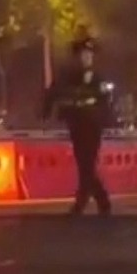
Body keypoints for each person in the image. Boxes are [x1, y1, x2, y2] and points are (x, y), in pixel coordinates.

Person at [42, 37, 113, 217]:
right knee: (84, 164)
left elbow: (106, 101)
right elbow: (53, 93)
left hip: (93, 125)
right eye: (83, 55)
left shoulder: (98, 76)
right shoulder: (67, 76)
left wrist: (108, 119)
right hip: (76, 123)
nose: (86, 58)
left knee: (87, 163)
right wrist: (45, 111)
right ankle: (101, 200)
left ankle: (84, 202)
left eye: (89, 55)